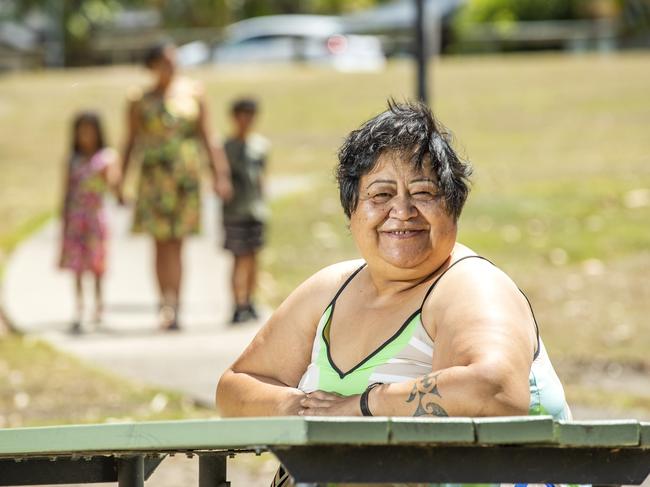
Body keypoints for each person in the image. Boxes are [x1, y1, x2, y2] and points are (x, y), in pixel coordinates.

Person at [217, 100, 570, 419]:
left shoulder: (471, 284)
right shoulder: (330, 289)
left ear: (454, 206)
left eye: (423, 192)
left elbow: (494, 390)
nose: (401, 211)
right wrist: (302, 408)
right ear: (351, 210)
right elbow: (235, 386)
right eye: (381, 194)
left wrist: (362, 406)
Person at [117, 41, 232, 331]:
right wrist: (120, 178)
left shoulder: (194, 92)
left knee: (178, 244)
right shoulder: (138, 99)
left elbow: (208, 136)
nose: (172, 66)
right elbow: (130, 141)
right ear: (153, 66)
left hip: (185, 179)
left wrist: (219, 173)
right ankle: (163, 304)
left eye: (174, 60)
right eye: (166, 61)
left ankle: (177, 305)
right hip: (153, 180)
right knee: (159, 244)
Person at [60, 111, 117, 334]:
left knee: (97, 265)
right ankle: (79, 308)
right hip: (76, 219)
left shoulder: (107, 157)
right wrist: (63, 216)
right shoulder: (72, 159)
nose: (86, 135)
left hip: (95, 218)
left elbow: (113, 185)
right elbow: (65, 190)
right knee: (77, 267)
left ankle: (99, 307)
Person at [222, 98, 270, 323]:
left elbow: (262, 177)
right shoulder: (226, 147)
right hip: (234, 211)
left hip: (255, 210)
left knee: (253, 257)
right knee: (237, 257)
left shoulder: (260, 146)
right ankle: (236, 302)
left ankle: (250, 300)